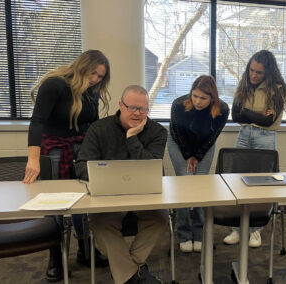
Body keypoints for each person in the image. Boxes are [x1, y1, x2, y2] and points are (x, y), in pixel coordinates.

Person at [23, 50, 111, 281]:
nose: (95, 80)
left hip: (82, 152)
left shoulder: (91, 93)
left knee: (84, 202)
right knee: (55, 206)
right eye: (93, 73)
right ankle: (55, 257)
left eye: (100, 77)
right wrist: (33, 159)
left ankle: (85, 249)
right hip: (53, 153)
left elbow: (93, 126)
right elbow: (37, 122)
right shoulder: (55, 84)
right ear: (82, 66)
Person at [75, 85, 168, 284]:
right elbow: (81, 166)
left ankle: (126, 273)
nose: (137, 113)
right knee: (100, 224)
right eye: (132, 108)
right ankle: (135, 276)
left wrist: (132, 138)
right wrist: (104, 176)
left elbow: (152, 167)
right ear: (120, 105)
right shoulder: (99, 129)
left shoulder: (157, 132)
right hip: (109, 197)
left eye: (143, 109)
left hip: (144, 197)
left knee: (160, 219)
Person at [223, 50, 286, 248]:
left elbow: (268, 122)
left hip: (265, 137)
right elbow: (236, 117)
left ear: (268, 72)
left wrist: (246, 112)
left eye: (258, 73)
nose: (253, 75)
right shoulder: (243, 85)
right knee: (236, 180)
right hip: (244, 135)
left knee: (261, 183)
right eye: (251, 70)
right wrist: (256, 115)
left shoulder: (278, 90)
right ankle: (237, 228)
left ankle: (255, 231)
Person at [168, 75, 229, 253]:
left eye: (203, 98)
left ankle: (199, 232)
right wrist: (188, 156)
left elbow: (212, 136)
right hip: (178, 143)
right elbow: (178, 133)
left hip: (204, 144)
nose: (198, 101)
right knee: (185, 184)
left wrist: (198, 155)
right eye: (195, 96)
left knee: (201, 185)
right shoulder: (178, 105)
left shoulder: (223, 109)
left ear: (212, 98)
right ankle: (184, 233)